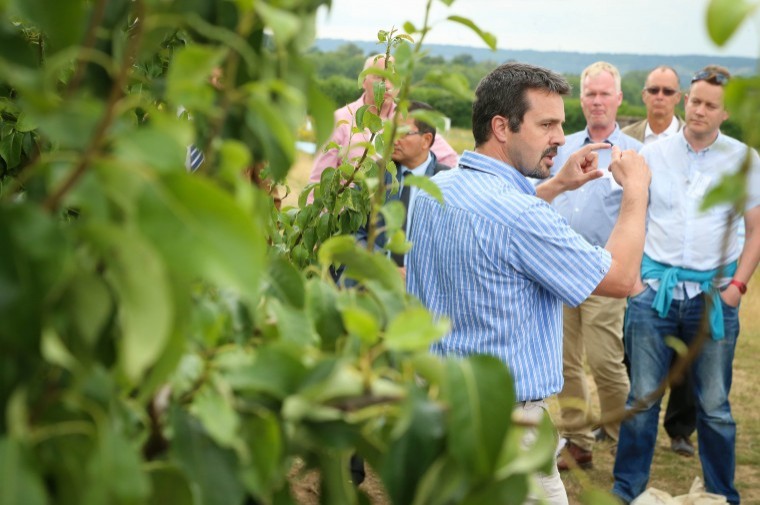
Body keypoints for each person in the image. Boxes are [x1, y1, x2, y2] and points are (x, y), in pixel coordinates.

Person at [406, 62, 651, 505]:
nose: (560, 136)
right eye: (547, 124)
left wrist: (555, 185)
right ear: (502, 127)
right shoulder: (521, 217)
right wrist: (636, 190)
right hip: (506, 429)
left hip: (437, 410)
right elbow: (620, 277)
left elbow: (495, 221)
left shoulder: (433, 190)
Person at [612, 65, 760, 505]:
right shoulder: (653, 154)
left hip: (713, 297)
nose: (698, 110)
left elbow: (755, 230)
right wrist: (635, 280)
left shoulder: (744, 161)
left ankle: (723, 494)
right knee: (641, 399)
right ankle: (626, 490)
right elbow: (632, 217)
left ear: (725, 111)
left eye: (709, 105)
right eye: (694, 101)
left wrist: (737, 287)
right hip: (653, 294)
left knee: (714, 406)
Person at [548, 62, 642, 471]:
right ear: (581, 99)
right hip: (559, 270)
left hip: (604, 272)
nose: (598, 101)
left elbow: (642, 215)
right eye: (591, 94)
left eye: (606, 94)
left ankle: (626, 441)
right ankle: (577, 440)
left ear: (619, 98)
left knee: (606, 362)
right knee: (564, 363)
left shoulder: (632, 155)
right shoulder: (562, 148)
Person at [622, 66, 696, 458]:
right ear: (644, 94)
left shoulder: (695, 142)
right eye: (654, 89)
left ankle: (681, 429)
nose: (661, 96)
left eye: (669, 90)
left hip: (683, 266)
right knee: (633, 354)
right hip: (639, 264)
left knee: (684, 356)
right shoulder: (628, 140)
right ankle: (622, 420)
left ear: (679, 97)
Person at [307, 54, 458, 198]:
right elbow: (319, 178)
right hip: (349, 215)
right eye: (379, 77)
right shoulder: (341, 119)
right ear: (364, 80)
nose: (387, 85)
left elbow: (449, 159)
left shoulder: (408, 117)